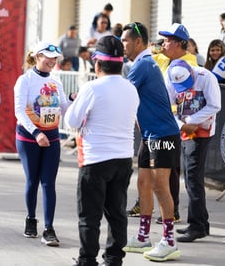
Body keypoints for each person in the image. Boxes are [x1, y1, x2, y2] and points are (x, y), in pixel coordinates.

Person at [65, 35, 139, 266]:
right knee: (117, 213)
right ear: (120, 63)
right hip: (124, 159)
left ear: (97, 64)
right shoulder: (131, 89)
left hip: (95, 160)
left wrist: (77, 102)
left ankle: (87, 260)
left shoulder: (92, 87)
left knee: (90, 215)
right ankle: (114, 259)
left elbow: (72, 121)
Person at [121, 22, 181, 262]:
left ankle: (168, 241)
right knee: (144, 183)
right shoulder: (142, 63)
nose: (123, 45)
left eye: (125, 40)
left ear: (138, 42)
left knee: (159, 185)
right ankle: (144, 236)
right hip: (149, 135)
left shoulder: (144, 64)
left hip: (163, 135)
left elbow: (122, 94)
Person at [13, 40, 70, 247]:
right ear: (37, 57)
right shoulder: (25, 80)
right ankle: (30, 219)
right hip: (29, 137)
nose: (52, 62)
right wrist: (36, 132)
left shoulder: (57, 82)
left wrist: (75, 101)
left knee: (49, 182)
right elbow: (19, 111)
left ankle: (49, 228)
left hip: (52, 136)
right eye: (48, 57)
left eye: (55, 59)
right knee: (33, 180)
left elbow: (64, 107)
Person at [166, 59, 221, 242]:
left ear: (191, 72)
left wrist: (192, 122)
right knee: (191, 178)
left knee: (193, 178)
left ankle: (197, 226)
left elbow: (214, 105)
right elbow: (168, 106)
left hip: (202, 132)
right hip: (184, 131)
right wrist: (182, 125)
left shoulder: (206, 77)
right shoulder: (170, 79)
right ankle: (201, 223)